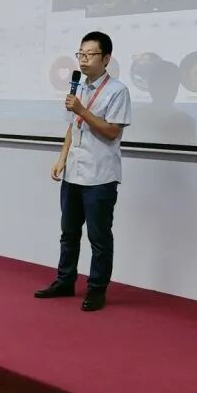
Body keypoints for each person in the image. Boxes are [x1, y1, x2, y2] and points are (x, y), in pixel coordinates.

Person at [36, 31, 132, 311]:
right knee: (68, 232)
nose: (84, 59)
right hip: (73, 173)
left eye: (90, 54)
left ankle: (97, 289)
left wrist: (82, 110)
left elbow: (112, 131)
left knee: (99, 237)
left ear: (107, 59)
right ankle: (65, 280)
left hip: (100, 176)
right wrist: (61, 159)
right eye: (81, 54)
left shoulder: (117, 91)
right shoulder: (77, 87)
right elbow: (72, 126)